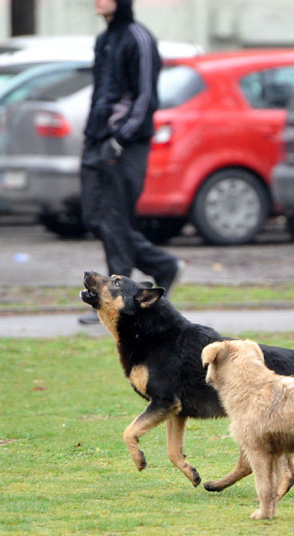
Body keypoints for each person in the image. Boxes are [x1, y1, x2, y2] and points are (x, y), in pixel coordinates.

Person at [78, 0, 181, 324]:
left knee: (114, 221)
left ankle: (115, 306)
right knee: (95, 217)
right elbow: (101, 92)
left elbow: (146, 97)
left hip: (127, 145)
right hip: (97, 140)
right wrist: (94, 134)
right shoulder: (104, 40)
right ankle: (162, 265)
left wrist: (120, 138)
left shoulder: (140, 38)